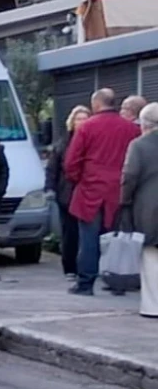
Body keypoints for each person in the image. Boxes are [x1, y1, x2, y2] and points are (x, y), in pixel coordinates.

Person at [64, 88, 140, 296]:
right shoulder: (131, 129)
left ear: (96, 104)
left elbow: (72, 162)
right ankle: (117, 281)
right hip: (119, 191)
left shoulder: (87, 127)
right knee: (117, 239)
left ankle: (86, 283)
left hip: (91, 189)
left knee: (88, 239)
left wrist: (78, 179)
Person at [120, 103, 158, 318]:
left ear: (144, 124)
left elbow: (129, 176)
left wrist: (124, 201)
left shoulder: (139, 145)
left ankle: (153, 306)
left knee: (151, 256)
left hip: (149, 208)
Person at [47, 105, 91, 280]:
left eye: (85, 119)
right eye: (79, 119)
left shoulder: (92, 141)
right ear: (72, 122)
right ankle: (70, 267)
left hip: (86, 192)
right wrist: (50, 188)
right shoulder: (63, 144)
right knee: (69, 232)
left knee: (86, 232)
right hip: (66, 194)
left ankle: (85, 267)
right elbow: (52, 169)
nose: (81, 122)